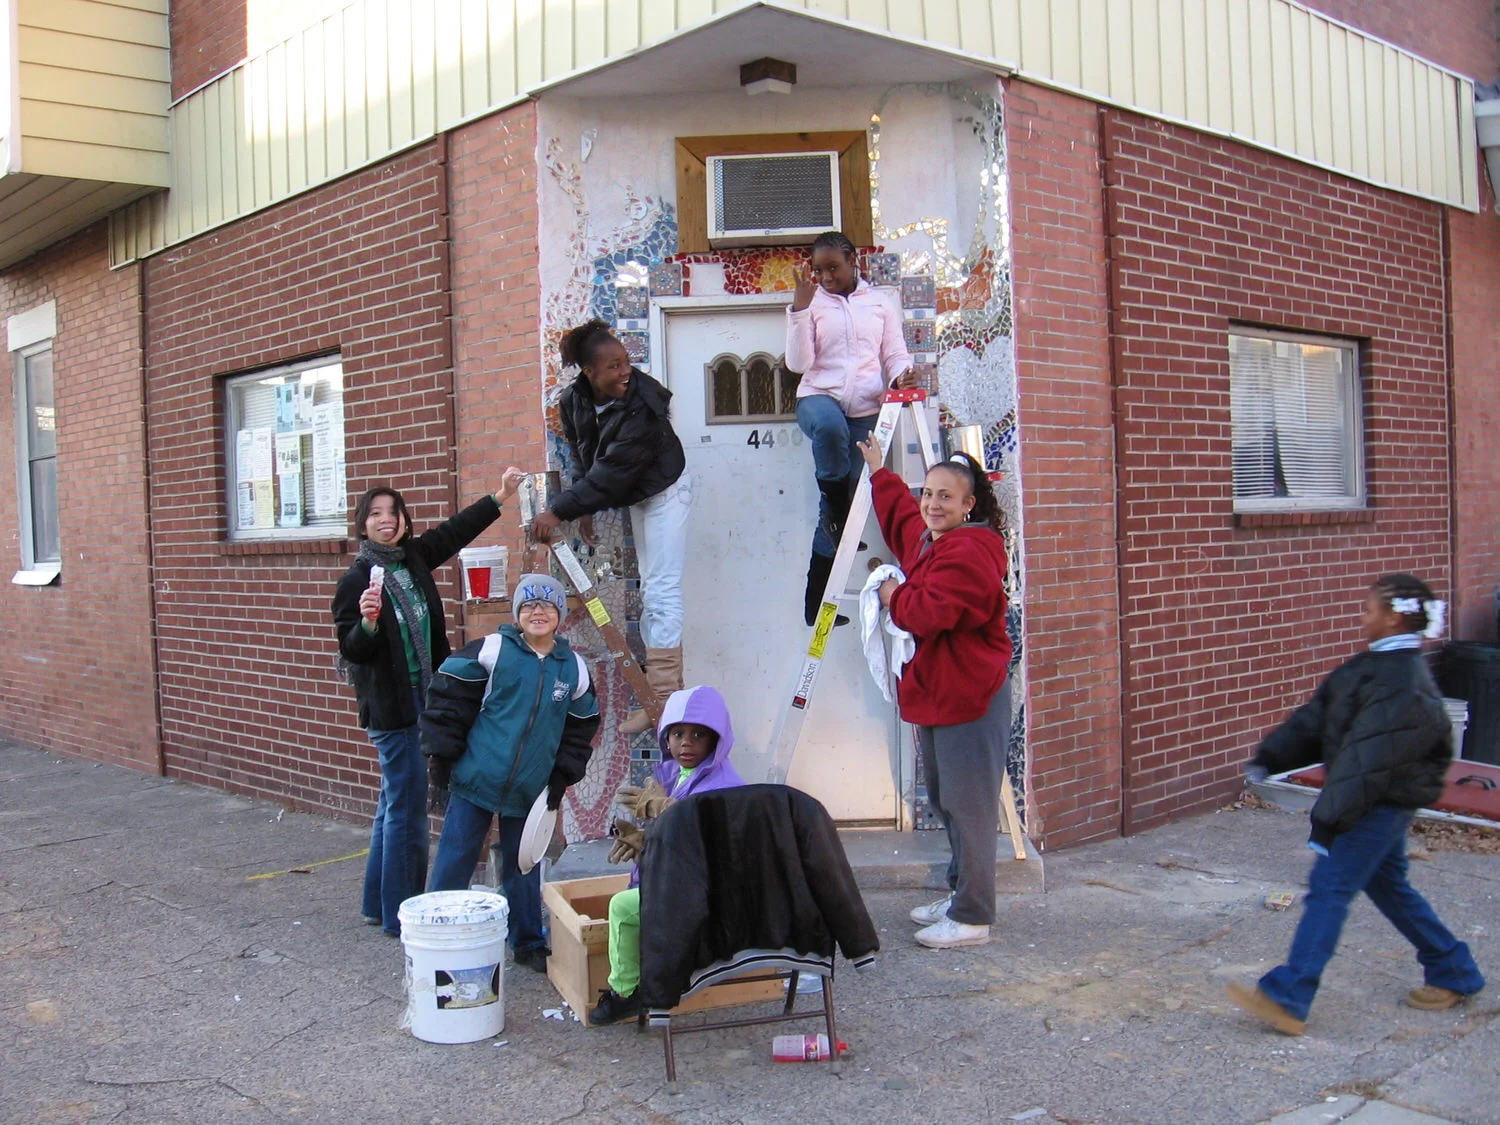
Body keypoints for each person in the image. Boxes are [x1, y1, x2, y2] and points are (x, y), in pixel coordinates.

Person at [1226, 575, 1485, 1035]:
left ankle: (1289, 996)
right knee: (1390, 888)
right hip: (1370, 799)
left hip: (1375, 804)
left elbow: (1371, 762)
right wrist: (1270, 758)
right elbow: (1319, 716)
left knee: (1329, 891)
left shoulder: (1402, 681)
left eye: (1370, 609)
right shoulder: (1371, 667)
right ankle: (1453, 970)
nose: (1362, 616)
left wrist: (1331, 820)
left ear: (1394, 616)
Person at [332, 470, 525, 937]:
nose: (386, 520)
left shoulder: (413, 559)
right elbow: (352, 649)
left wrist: (500, 495)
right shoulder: (356, 579)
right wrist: (370, 622)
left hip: (425, 701)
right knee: (408, 810)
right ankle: (405, 915)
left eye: (393, 512)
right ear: (362, 525)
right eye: (375, 514)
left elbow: (455, 531)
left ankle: (378, 906)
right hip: (393, 712)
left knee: (392, 805)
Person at [859, 439, 1013, 950]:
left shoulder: (972, 551)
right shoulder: (931, 541)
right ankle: (959, 894)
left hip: (970, 699)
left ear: (970, 505)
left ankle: (972, 917)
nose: (932, 504)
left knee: (968, 808)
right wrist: (881, 473)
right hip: (943, 695)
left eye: (946, 497)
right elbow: (904, 521)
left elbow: (924, 612)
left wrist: (890, 594)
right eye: (929, 493)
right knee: (949, 800)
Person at [420, 572, 601, 972]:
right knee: (456, 856)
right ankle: (437, 932)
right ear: (517, 613)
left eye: (547, 605)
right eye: (529, 605)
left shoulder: (572, 668)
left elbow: (581, 727)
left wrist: (560, 778)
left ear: (559, 615)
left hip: (531, 789)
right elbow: (447, 696)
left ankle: (528, 942)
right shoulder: (492, 650)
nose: (538, 612)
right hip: (477, 778)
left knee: (524, 866)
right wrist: (442, 755)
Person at [530, 319, 690, 734]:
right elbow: (586, 456)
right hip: (638, 493)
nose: (625, 372)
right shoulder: (574, 401)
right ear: (590, 372)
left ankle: (664, 699)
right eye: (614, 366)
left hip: (666, 491)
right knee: (654, 591)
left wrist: (557, 511)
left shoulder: (643, 409)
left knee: (661, 589)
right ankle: (663, 695)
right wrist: (583, 506)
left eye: (626, 363)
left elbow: (611, 474)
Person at [588, 685, 745, 1025]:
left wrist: (668, 813)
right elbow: (680, 846)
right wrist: (647, 842)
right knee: (631, 898)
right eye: (677, 733)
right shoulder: (678, 773)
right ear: (665, 737)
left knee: (622, 908)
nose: (686, 743)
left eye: (698, 734)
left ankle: (626, 993)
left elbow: (709, 847)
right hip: (684, 883)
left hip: (709, 897)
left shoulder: (725, 784)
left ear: (717, 740)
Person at [786, 230, 913, 626]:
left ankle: (814, 608)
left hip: (864, 409)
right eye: (819, 270)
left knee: (842, 510)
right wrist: (800, 310)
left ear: (852, 259)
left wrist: (900, 377)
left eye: (833, 268)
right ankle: (836, 511)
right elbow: (797, 363)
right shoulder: (812, 302)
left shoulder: (879, 302)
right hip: (817, 399)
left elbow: (894, 352)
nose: (825, 277)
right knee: (829, 429)